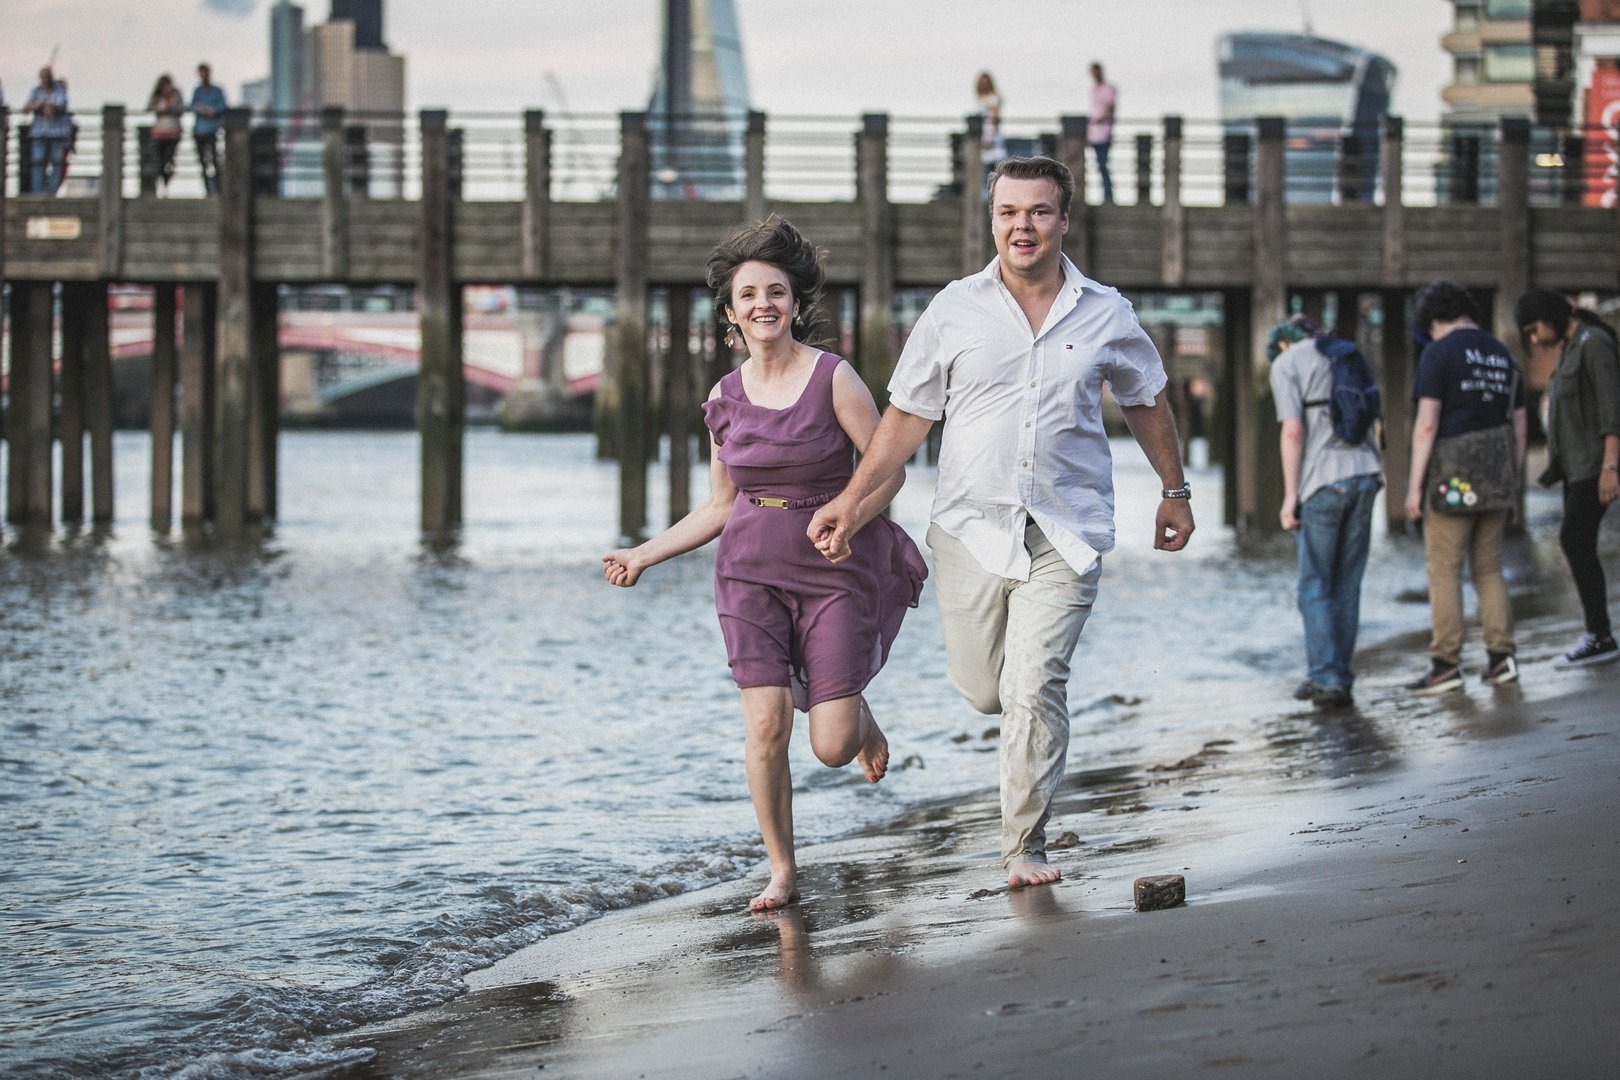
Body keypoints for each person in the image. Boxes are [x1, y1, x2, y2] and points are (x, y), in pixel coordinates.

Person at [808, 156, 1193, 890]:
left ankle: (1025, 845)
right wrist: (854, 505)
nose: (1024, 226)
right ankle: (1021, 801)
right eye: (1010, 212)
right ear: (992, 219)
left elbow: (1146, 397)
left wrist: (1174, 490)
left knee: (1034, 683)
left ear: (1065, 220)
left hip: (1066, 529)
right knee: (987, 690)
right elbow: (906, 420)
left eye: (1040, 211)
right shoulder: (954, 309)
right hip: (970, 530)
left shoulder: (1106, 311)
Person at [602, 218, 927, 912]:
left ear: (794, 302)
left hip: (832, 570)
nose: (763, 305)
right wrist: (644, 553)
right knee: (766, 723)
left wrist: (852, 517)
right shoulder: (723, 398)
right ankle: (781, 868)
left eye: (775, 291)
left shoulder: (834, 379)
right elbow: (720, 504)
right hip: (747, 570)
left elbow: (889, 473)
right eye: (748, 294)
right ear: (730, 312)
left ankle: (856, 714)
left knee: (831, 747)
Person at [1403, 279, 1527, 694]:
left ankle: (1445, 664)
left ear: (1434, 319)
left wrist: (1412, 489)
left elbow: (1426, 424)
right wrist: (1513, 481)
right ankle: (1501, 657)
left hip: (1452, 474)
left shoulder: (1438, 353)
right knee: (1489, 568)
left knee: (1444, 569)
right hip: (1497, 471)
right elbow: (1520, 425)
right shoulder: (1503, 354)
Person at [1267, 315, 1384, 708]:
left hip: (1322, 482)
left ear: (1283, 342)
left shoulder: (1287, 363)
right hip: (1366, 475)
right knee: (1347, 584)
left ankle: (1326, 676)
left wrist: (1288, 496)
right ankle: (1338, 674)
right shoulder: (1346, 356)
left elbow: (1293, 431)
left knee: (1314, 585)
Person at [1514, 289, 1620, 667]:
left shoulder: (1594, 344)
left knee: (1574, 541)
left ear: (1551, 317)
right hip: (1577, 469)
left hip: (1595, 467)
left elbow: (1613, 410)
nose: (1534, 338)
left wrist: (1610, 467)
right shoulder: (1572, 347)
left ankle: (1599, 635)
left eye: (1534, 328)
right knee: (1576, 542)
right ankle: (1598, 633)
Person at [23, 66, 72, 196]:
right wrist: (39, 105)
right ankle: (37, 193)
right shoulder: (35, 91)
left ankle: (52, 193)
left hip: (57, 133)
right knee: (38, 162)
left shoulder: (59, 90)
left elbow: (63, 105)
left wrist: (52, 107)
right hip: (39, 131)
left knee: (56, 163)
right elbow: (26, 107)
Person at [190, 63, 227, 195]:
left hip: (212, 130)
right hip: (199, 131)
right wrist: (200, 109)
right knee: (202, 161)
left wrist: (212, 111)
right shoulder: (197, 91)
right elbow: (192, 106)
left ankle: (217, 188)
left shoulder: (217, 91)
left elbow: (223, 106)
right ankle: (207, 189)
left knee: (215, 159)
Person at [147, 73, 184, 193]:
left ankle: (167, 181)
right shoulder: (157, 97)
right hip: (159, 132)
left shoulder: (176, 95)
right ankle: (163, 184)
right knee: (159, 161)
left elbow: (182, 108)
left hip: (173, 132)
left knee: (170, 160)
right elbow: (149, 107)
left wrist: (171, 109)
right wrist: (159, 110)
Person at [1088, 62, 1117, 205]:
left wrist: (1100, 119)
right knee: (1099, 165)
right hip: (1094, 134)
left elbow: (1111, 107)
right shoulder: (1095, 89)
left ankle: (1108, 196)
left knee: (1103, 164)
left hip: (1104, 133)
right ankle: (1106, 195)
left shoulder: (1108, 89)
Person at [975, 71, 1006, 169]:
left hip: (991, 137)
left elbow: (993, 121)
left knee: (993, 168)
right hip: (986, 135)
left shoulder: (992, 99)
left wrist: (989, 139)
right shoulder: (983, 99)